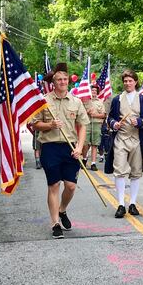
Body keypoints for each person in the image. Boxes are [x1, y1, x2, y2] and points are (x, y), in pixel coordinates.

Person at [31, 63, 89, 239]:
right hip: (50, 147)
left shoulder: (76, 101)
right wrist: (50, 125)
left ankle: (62, 210)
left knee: (71, 186)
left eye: (65, 79)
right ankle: (55, 222)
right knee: (54, 185)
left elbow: (83, 125)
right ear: (53, 83)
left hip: (70, 147)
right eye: (59, 79)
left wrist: (80, 147)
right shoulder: (44, 101)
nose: (63, 82)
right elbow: (35, 124)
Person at [105, 69, 143, 219]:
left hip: (137, 140)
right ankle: (121, 204)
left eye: (130, 81)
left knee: (135, 172)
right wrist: (114, 124)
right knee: (119, 170)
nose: (128, 83)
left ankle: (132, 203)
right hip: (121, 139)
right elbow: (110, 118)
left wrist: (140, 122)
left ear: (135, 82)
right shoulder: (117, 100)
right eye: (125, 81)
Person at [82, 85, 106, 171]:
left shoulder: (100, 102)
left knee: (95, 144)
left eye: (95, 91)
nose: (94, 92)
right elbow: (80, 114)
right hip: (87, 124)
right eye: (92, 90)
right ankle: (84, 159)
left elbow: (103, 115)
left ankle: (93, 163)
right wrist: (87, 112)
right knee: (85, 144)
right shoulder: (85, 101)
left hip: (96, 124)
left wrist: (95, 115)